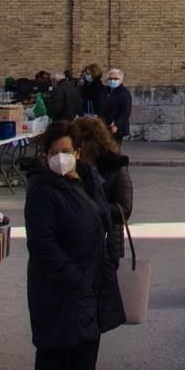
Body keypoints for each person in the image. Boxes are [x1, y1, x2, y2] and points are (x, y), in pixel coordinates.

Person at [23, 123, 126, 370]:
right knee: (53, 347)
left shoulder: (84, 182)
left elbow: (104, 218)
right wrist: (72, 276)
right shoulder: (42, 190)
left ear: (78, 152)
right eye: (54, 153)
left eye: (65, 152)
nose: (60, 158)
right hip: (58, 284)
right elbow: (42, 244)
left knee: (85, 345)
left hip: (87, 280)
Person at [72, 114, 132, 347]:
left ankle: (84, 363)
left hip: (106, 245)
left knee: (93, 307)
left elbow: (124, 209)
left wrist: (91, 208)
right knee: (78, 308)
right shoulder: (72, 166)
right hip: (77, 245)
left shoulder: (114, 166)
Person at [96, 69, 133, 142]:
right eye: (110, 79)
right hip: (104, 125)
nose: (112, 81)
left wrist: (116, 124)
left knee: (114, 148)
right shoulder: (105, 91)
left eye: (116, 79)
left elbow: (126, 112)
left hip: (116, 127)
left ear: (121, 80)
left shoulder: (124, 93)